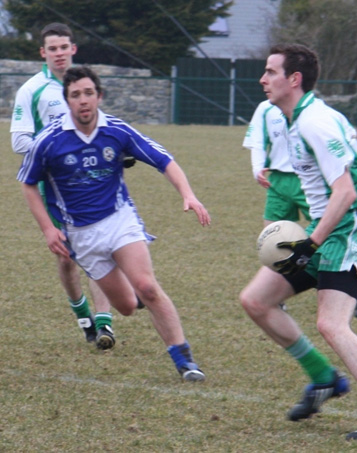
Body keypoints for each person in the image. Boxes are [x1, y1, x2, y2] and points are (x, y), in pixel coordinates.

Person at [240, 44, 357, 440]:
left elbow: (347, 192)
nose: (263, 79)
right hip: (326, 226)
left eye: (270, 72)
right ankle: (323, 377)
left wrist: (311, 243)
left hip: (350, 224)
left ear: (294, 79)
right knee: (256, 300)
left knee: (331, 324)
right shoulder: (293, 119)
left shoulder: (316, 122)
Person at [17, 65, 210, 381]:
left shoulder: (117, 131)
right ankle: (128, 289)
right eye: (75, 95)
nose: (83, 100)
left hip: (120, 220)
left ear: (99, 96)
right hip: (81, 235)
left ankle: (185, 360)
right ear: (66, 101)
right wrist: (49, 229)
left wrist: (188, 194)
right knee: (125, 306)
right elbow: (28, 183)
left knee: (147, 286)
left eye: (88, 93)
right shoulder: (49, 140)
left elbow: (163, 160)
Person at [10, 22, 136, 350]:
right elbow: (18, 139)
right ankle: (84, 317)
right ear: (43, 53)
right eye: (52, 49)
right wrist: (55, 149)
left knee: (99, 250)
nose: (59, 53)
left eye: (64, 47)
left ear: (73, 49)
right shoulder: (31, 90)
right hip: (53, 188)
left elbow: (97, 128)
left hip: (89, 184)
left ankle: (105, 324)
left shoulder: (82, 83)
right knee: (67, 258)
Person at [243, 100, 357, 318]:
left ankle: (355, 293)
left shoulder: (315, 114)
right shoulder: (265, 108)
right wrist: (257, 168)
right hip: (278, 181)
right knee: (272, 240)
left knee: (328, 233)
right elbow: (256, 140)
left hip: (309, 180)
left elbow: (348, 140)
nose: (265, 80)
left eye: (271, 72)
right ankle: (276, 296)